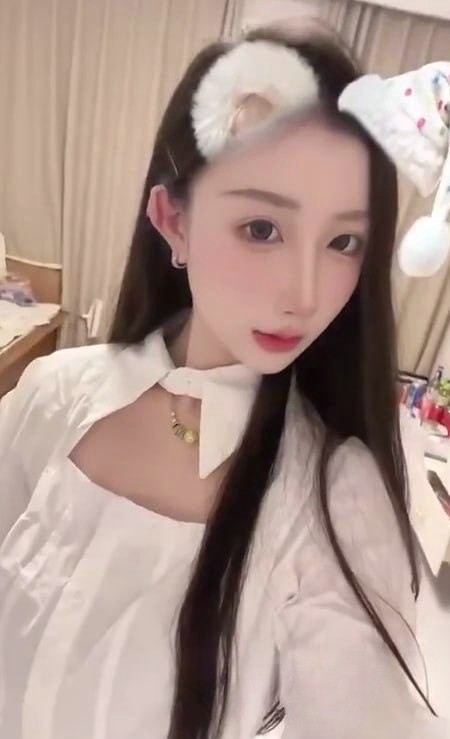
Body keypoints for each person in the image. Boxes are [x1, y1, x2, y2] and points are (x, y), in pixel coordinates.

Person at [0, 24, 448, 739]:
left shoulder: (337, 498)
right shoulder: (48, 397)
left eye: (343, 241)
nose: (305, 293)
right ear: (173, 220)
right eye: (263, 228)